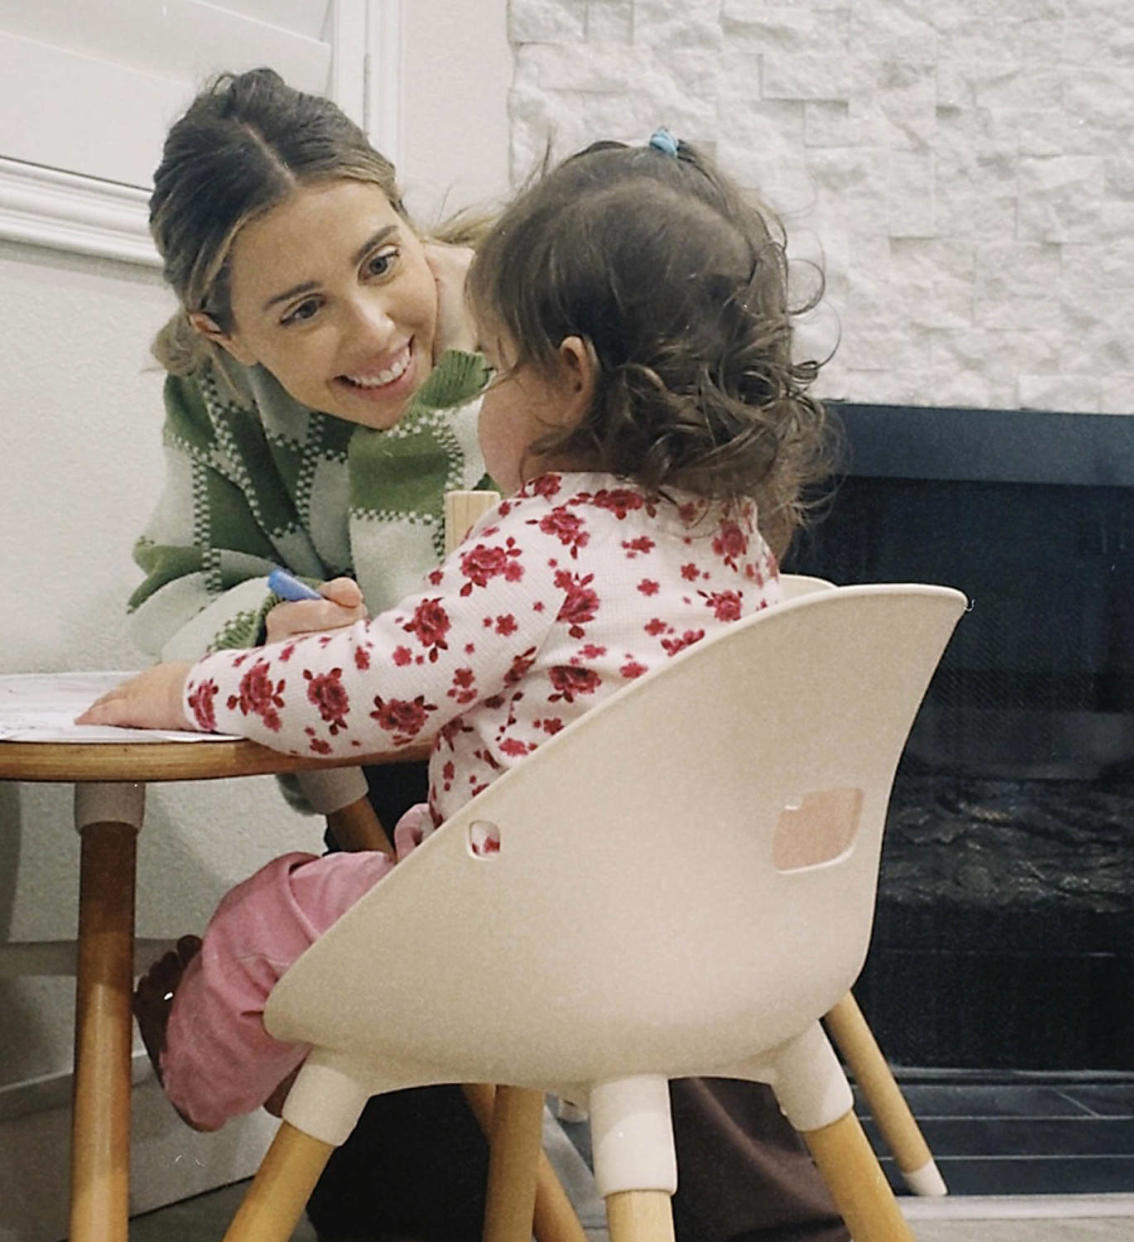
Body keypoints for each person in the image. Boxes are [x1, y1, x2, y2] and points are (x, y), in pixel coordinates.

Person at [121, 73, 844, 1240]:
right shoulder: (710, 510)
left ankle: (210, 1073)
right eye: (299, 311)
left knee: (295, 915)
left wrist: (201, 686)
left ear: (559, 375)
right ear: (224, 332)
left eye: (381, 261)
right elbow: (189, 584)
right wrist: (264, 623)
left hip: (520, 841)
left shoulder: (532, 332)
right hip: (642, 850)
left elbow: (397, 674)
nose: (373, 332)